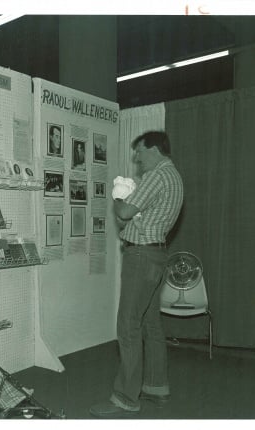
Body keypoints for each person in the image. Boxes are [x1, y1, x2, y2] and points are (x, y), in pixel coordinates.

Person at [89, 131, 183, 418]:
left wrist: (117, 201)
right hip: (156, 254)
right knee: (150, 324)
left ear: (154, 149)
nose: (137, 158)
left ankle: (126, 397)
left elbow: (127, 211)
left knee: (128, 325)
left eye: (140, 151)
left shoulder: (157, 175)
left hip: (141, 255)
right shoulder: (175, 176)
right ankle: (156, 386)